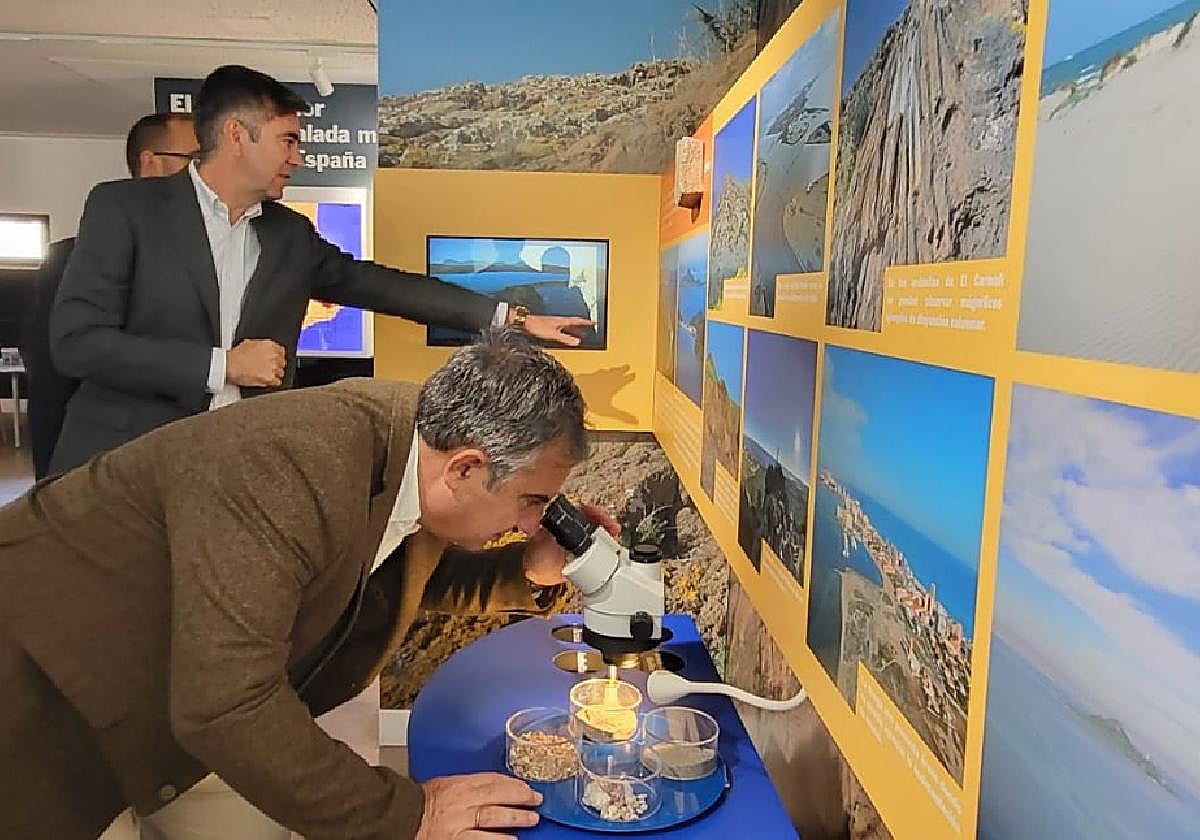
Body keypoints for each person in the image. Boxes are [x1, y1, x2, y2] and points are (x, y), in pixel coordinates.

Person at [0, 329, 613, 839]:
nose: (532, 522)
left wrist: (527, 568)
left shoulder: (416, 447)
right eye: (532, 501)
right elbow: (226, 706)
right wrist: (413, 814)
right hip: (52, 691)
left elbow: (388, 574)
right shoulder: (288, 465)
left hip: (178, 689)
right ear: (467, 468)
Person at [48, 64, 591, 475]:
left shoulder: (288, 234)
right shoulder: (125, 208)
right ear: (236, 136)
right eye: (287, 140)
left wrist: (513, 318)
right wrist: (222, 366)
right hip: (122, 466)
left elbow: (385, 287)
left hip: (236, 469)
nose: (298, 157)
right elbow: (78, 343)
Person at [19, 112, 200, 479]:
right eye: (194, 159)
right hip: (101, 471)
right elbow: (51, 388)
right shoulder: (71, 259)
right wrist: (53, 487)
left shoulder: (200, 257)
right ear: (150, 163)